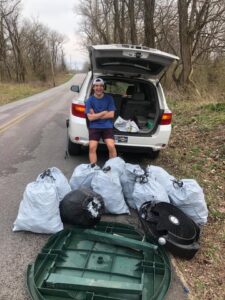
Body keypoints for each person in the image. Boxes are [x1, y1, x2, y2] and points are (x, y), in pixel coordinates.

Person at [85, 78, 117, 164]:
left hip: (107, 126)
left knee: (111, 146)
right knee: (92, 147)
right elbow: (90, 118)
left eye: (101, 86)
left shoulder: (109, 98)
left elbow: (111, 115)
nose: (99, 88)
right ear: (93, 88)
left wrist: (95, 115)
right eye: (96, 86)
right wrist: (103, 112)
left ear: (103, 87)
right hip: (94, 127)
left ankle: (112, 167)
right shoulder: (89, 100)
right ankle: (93, 168)